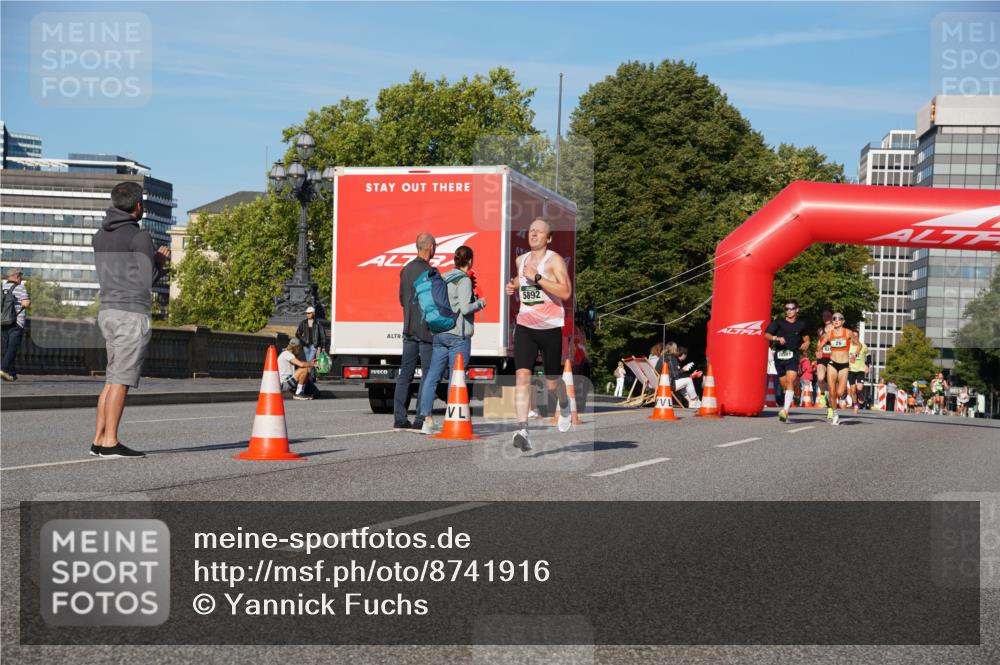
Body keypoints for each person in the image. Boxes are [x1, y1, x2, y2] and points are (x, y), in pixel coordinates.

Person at [90, 181, 169, 458]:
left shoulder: (99, 235)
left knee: (112, 379)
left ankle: (98, 439)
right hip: (131, 313)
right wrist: (159, 260)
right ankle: (111, 441)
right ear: (138, 206)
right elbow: (147, 280)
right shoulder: (140, 236)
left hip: (107, 311)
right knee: (121, 380)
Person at [506, 218, 573, 452]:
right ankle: (522, 429)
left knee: (552, 383)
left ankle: (564, 403)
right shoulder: (520, 260)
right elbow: (522, 279)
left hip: (550, 328)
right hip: (525, 326)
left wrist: (538, 277)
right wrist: (513, 285)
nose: (533, 234)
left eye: (539, 232)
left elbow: (565, 292)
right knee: (522, 376)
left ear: (549, 238)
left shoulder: (553, 261)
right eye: (531, 231)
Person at [416, 245, 486, 434]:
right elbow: (465, 308)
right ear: (470, 261)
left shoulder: (444, 276)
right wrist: (480, 303)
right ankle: (452, 418)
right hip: (458, 336)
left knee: (432, 376)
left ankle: (427, 419)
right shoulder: (464, 280)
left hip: (440, 333)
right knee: (456, 379)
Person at [393, 232, 436, 432]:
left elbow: (402, 299)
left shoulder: (406, 270)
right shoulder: (431, 272)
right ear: (430, 248)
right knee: (427, 375)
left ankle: (400, 418)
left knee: (405, 375)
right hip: (426, 331)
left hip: (408, 328)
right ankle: (420, 418)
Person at [764, 299, 810, 423]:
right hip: (779, 355)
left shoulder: (801, 324)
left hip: (793, 355)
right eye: (787, 309)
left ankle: (785, 411)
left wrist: (806, 343)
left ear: (797, 310)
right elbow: (766, 334)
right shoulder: (778, 322)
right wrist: (776, 338)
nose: (789, 311)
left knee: (790, 380)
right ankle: (793, 390)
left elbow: (806, 338)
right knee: (785, 385)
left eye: (791, 308)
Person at [816, 311, 857, 426]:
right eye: (834, 318)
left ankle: (843, 394)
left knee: (838, 392)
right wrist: (819, 350)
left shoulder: (848, 332)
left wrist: (854, 355)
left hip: (844, 365)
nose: (836, 320)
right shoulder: (829, 334)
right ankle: (835, 414)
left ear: (843, 321)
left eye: (839, 318)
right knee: (832, 392)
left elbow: (858, 344)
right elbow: (821, 343)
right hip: (832, 363)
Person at [1, 268, 31, 382]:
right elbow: (25, 303)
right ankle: (3, 369)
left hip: (3, 322)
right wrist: (28, 302)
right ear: (16, 276)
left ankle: (12, 374)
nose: (21, 278)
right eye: (20, 276)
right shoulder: (20, 288)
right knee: (13, 348)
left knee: (7, 348)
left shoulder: (2, 287)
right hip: (16, 322)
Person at [295, 305, 327, 380]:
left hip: (314, 345)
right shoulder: (304, 322)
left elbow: (322, 335)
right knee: (310, 362)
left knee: (309, 361)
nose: (307, 315)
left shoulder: (318, 323)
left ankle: (308, 377)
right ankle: (312, 376)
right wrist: (304, 340)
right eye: (307, 313)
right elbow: (298, 333)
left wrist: (323, 346)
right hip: (306, 346)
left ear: (313, 313)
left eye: (309, 313)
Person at [847, 336, 870, 414]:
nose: (854, 338)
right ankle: (856, 405)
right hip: (851, 370)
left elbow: (868, 356)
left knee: (859, 388)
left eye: (856, 336)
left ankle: (860, 394)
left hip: (861, 370)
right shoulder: (848, 346)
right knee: (853, 390)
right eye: (853, 336)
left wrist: (867, 365)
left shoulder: (863, 346)